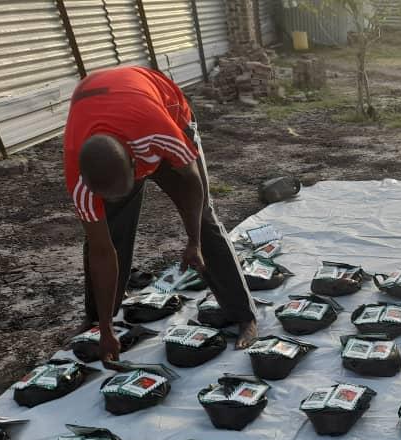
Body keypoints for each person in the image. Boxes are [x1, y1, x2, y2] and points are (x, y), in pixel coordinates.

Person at [63, 66, 257, 361]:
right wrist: (105, 330)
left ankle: (244, 316)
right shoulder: (80, 178)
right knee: (106, 236)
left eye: (124, 188)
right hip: (111, 122)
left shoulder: (159, 133)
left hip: (166, 111)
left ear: (134, 162)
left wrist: (193, 242)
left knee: (204, 219)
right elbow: (102, 252)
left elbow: (192, 184)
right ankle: (97, 321)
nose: (117, 198)